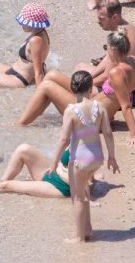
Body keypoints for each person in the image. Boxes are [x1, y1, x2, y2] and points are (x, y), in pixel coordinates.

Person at [18, 28, 135, 145]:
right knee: (52, 75)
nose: (106, 51)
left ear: (114, 50)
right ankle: (33, 115)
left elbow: (126, 106)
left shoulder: (116, 72)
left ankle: (19, 125)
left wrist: (134, 135)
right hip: (95, 106)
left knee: (46, 86)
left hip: (90, 120)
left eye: (106, 48)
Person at [50, 71, 118, 243]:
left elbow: (64, 139)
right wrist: (112, 157)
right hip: (96, 158)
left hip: (79, 160)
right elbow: (108, 134)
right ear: (90, 88)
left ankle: (79, 237)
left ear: (73, 89)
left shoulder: (71, 111)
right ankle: (87, 229)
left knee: (78, 197)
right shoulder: (100, 107)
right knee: (85, 192)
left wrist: (54, 161)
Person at [76, 0, 135, 103]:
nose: (98, 22)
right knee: (80, 67)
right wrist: (89, 77)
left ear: (115, 17)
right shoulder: (126, 29)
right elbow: (108, 59)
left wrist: (81, 85)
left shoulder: (122, 39)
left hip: (127, 94)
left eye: (102, 19)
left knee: (79, 92)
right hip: (132, 85)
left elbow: (106, 76)